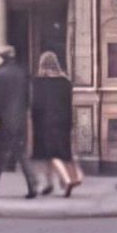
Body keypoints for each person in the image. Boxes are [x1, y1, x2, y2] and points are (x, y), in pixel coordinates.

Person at [0, 44, 37, 198]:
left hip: (3, 120)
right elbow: (28, 98)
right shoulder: (23, 72)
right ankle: (32, 184)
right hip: (19, 119)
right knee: (21, 153)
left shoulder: (0, 74)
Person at [31, 51, 79, 197]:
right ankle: (65, 180)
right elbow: (69, 105)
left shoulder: (38, 83)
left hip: (44, 122)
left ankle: (49, 183)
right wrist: (71, 123)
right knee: (63, 153)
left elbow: (36, 105)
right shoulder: (65, 83)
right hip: (62, 122)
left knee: (47, 155)